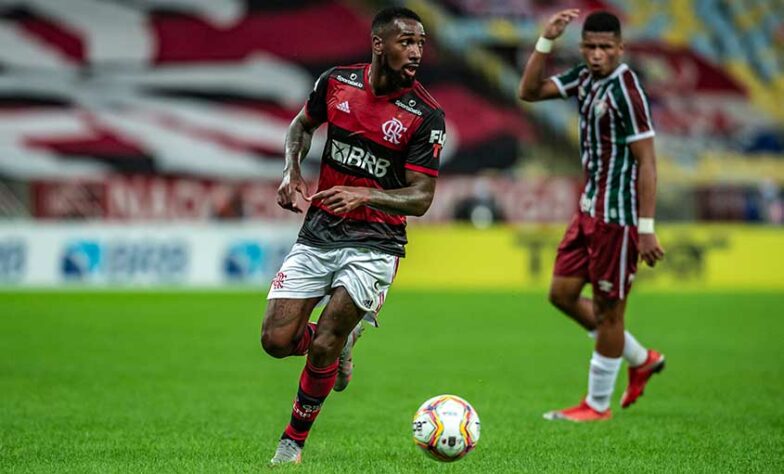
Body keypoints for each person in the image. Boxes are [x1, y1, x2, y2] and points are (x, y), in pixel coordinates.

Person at [262, 7, 445, 463]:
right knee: (276, 341)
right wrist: (291, 172)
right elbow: (300, 126)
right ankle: (341, 345)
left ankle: (292, 444)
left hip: (376, 244)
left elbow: (421, 197)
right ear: (379, 44)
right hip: (320, 230)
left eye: (421, 43)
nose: (417, 52)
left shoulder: (425, 114)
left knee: (323, 340)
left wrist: (366, 198)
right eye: (407, 42)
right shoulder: (337, 82)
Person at [518, 9, 666, 421]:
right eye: (590, 47)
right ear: (581, 48)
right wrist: (545, 41)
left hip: (618, 219)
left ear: (620, 49)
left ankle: (597, 405)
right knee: (561, 294)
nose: (598, 55)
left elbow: (648, 163)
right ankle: (640, 358)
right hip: (587, 211)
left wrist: (647, 229)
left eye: (605, 48)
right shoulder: (584, 78)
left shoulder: (628, 91)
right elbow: (529, 92)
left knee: (609, 311)